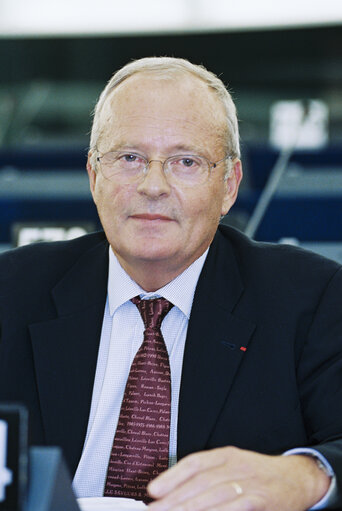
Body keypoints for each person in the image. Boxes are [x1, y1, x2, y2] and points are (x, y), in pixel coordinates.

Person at [1, 56, 342, 511]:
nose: (153, 185)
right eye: (130, 158)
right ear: (93, 175)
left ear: (229, 186)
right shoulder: (12, 290)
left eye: (185, 161)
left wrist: (307, 476)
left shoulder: (312, 298)